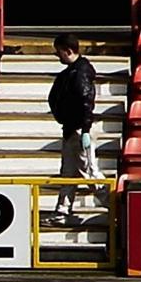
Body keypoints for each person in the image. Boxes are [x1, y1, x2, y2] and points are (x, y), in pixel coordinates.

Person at [46, 38, 99, 178]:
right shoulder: (70, 73)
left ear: (68, 51)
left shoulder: (80, 73)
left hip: (79, 128)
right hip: (71, 128)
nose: (57, 55)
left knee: (88, 172)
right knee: (67, 174)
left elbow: (86, 101)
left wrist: (86, 130)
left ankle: (109, 197)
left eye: (59, 52)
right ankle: (64, 201)